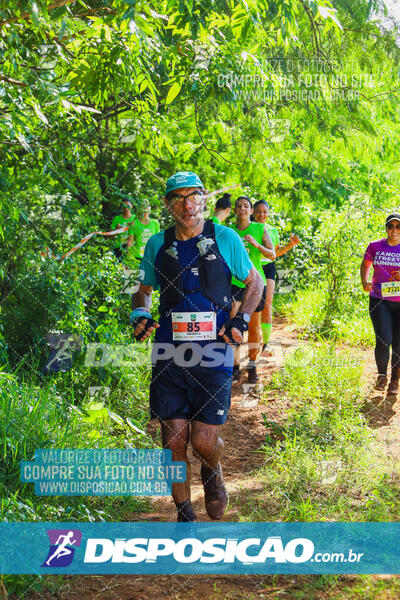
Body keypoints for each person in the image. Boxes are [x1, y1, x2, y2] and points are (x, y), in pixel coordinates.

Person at [130, 171, 263, 522]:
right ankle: (184, 513)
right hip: (169, 354)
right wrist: (139, 313)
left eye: (193, 196)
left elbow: (256, 283)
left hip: (214, 352)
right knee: (173, 442)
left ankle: (212, 469)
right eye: (178, 197)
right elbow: (144, 290)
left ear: (204, 198)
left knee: (203, 442)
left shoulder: (226, 238)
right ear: (168, 204)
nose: (187, 205)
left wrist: (240, 320)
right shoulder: (156, 245)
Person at [229, 196, 275, 383]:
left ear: (250, 211)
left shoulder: (259, 228)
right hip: (234, 282)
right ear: (234, 210)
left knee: (254, 325)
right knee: (233, 323)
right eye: (238, 206)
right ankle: (234, 366)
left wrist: (256, 244)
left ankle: (252, 364)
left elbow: (272, 255)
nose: (242, 209)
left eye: (246, 206)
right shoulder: (229, 232)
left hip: (256, 283)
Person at [253, 200, 300, 354]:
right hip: (251, 267)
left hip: (268, 268)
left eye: (265, 211)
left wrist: (290, 245)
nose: (262, 214)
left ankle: (265, 343)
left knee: (267, 306)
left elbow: (275, 254)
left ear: (268, 213)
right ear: (253, 212)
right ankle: (251, 341)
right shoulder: (248, 228)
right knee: (252, 309)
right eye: (258, 211)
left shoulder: (272, 230)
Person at [361, 212, 400, 394]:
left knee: (398, 343)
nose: (394, 230)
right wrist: (364, 281)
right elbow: (365, 264)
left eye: (398, 226)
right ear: (386, 228)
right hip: (379, 300)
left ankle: (394, 381)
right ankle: (382, 376)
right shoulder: (375, 246)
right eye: (390, 226)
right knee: (384, 339)